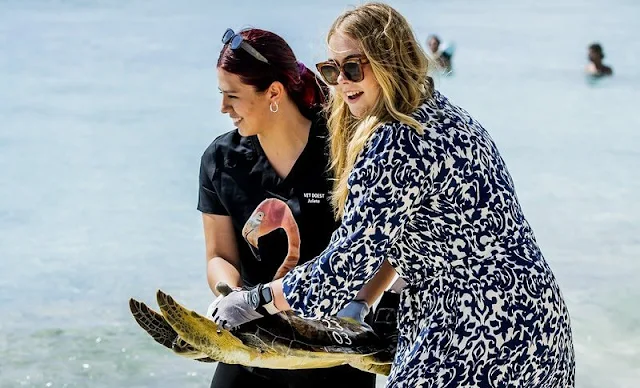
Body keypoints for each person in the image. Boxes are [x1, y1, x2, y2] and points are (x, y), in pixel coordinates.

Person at [209, 4, 575, 388]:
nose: (342, 83)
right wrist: (364, 303)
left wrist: (254, 301)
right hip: (539, 324)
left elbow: (344, 265)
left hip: (471, 332)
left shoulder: (392, 141)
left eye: (353, 67)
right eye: (332, 70)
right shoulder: (450, 116)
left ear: (390, 61)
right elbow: (429, 236)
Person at [199, 27, 394, 387]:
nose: (223, 107)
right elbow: (218, 256)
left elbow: (387, 245)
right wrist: (230, 298)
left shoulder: (347, 148)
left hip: (333, 345)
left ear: (274, 92)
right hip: (253, 336)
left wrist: (362, 305)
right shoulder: (220, 158)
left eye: (232, 96)